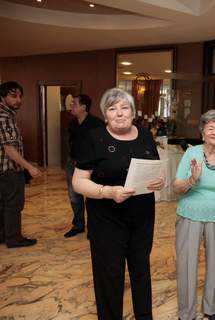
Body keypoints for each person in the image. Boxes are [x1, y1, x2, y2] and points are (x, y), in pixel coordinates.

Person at [72, 88, 165, 320]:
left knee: (140, 270)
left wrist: (159, 181)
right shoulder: (94, 137)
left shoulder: (145, 135)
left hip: (142, 216)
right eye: (112, 109)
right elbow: (78, 182)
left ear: (133, 112)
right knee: (110, 275)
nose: (119, 113)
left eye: (124, 107)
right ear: (105, 115)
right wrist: (108, 192)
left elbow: (153, 167)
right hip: (106, 218)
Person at [173, 110, 215, 320]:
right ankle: (186, 313)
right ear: (202, 132)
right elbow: (176, 187)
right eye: (210, 128)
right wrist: (192, 179)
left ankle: (210, 308)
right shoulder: (191, 154)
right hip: (190, 212)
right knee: (187, 264)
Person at [0, 81, 41, 248]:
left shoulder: (7, 115)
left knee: (4, 204)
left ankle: (3, 235)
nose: (18, 100)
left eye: (20, 96)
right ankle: (14, 238)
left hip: (4, 170)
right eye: (13, 96)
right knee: (13, 205)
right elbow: (9, 150)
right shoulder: (4, 117)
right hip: (9, 170)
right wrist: (29, 167)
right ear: (2, 97)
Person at [64, 94, 104, 238]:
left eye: (74, 103)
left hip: (90, 165)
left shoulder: (97, 124)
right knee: (74, 195)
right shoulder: (73, 123)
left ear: (83, 107)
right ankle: (78, 225)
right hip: (73, 162)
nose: (71, 106)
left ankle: (93, 227)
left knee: (92, 196)